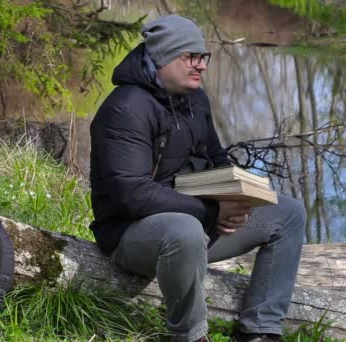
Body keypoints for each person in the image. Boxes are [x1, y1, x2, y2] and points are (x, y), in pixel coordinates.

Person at [89, 14, 306, 342]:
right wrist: (211, 212)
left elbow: (217, 160)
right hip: (131, 235)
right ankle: (189, 335)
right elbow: (132, 194)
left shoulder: (194, 100)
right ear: (163, 59)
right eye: (190, 57)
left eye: (202, 57)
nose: (201, 66)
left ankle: (260, 330)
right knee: (185, 231)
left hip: (194, 220)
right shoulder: (126, 109)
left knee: (288, 213)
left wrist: (238, 198)